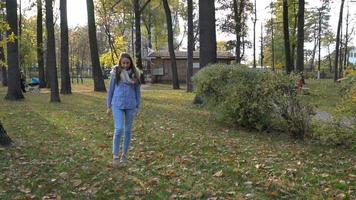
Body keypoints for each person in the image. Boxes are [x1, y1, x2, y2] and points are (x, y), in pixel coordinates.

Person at [106, 52, 141, 167]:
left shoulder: (135, 75)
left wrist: (137, 107)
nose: (125, 65)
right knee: (119, 128)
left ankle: (124, 155)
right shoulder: (115, 73)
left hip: (131, 105)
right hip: (117, 104)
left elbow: (137, 92)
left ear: (130, 63)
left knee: (127, 131)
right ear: (120, 63)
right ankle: (115, 155)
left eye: (127, 63)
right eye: (123, 63)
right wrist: (108, 106)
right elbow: (110, 90)